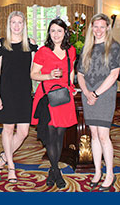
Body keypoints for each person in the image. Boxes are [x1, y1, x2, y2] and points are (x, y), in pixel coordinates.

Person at [76, 13, 120, 191]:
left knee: (103, 136)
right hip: (89, 95)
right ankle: (97, 171)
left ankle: (109, 173)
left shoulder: (114, 46)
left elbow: (114, 74)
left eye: (102, 26)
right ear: (91, 28)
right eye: (96, 26)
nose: (99, 30)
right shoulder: (87, 47)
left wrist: (95, 93)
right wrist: (87, 92)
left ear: (108, 28)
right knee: (93, 135)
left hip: (105, 95)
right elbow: (80, 74)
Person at [30, 18, 77, 189]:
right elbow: (33, 74)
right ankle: (56, 170)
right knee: (50, 137)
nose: (56, 34)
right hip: (47, 98)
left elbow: (71, 70)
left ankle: (53, 171)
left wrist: (72, 87)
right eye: (53, 31)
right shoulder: (43, 51)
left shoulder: (71, 50)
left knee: (59, 136)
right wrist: (49, 76)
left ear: (65, 32)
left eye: (59, 30)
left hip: (64, 97)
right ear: (49, 33)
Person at [0, 11, 37, 183]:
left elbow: (35, 70)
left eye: (20, 23)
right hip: (7, 92)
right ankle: (11, 166)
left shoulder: (30, 43)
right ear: (9, 24)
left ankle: (4, 156)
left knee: (24, 132)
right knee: (8, 129)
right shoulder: (1, 44)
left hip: (25, 93)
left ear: (24, 25)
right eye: (13, 22)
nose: (16, 26)